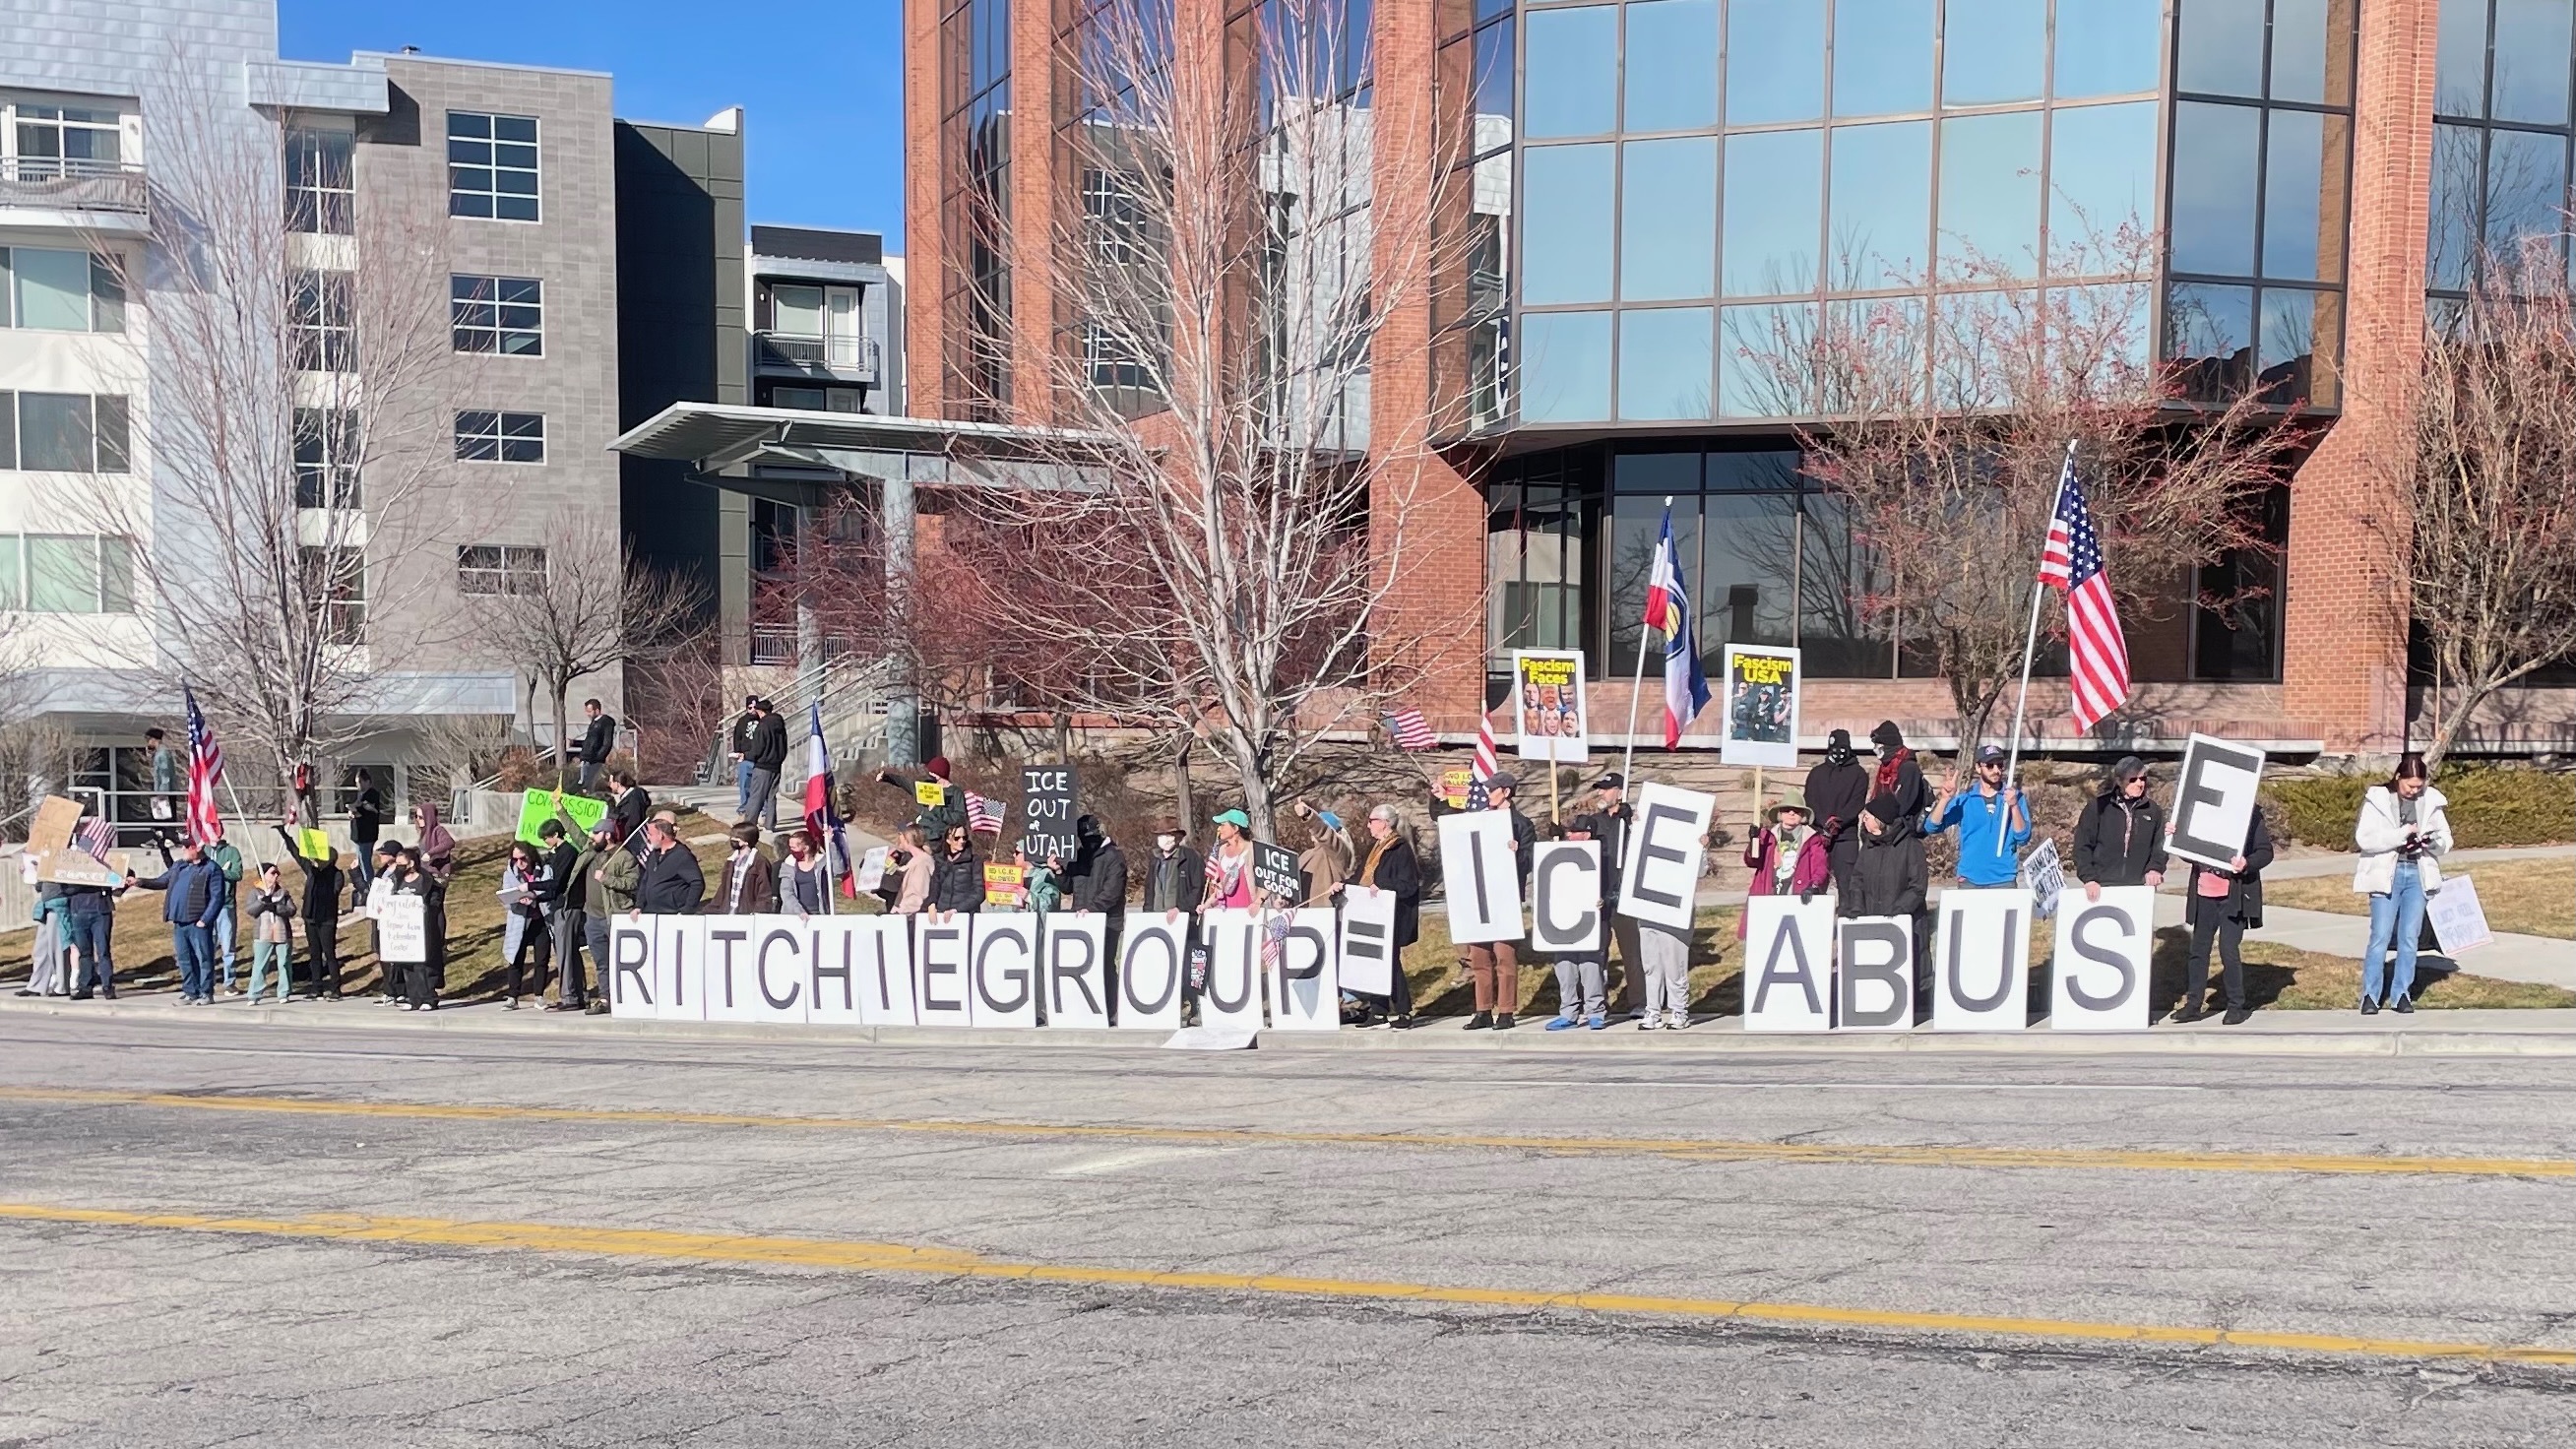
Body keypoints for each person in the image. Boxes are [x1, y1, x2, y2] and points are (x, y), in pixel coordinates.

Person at [2354, 753, 2453, 1015]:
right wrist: (2402, 835)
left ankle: (2401, 994)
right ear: (2398, 778)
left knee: (2410, 938)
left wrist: (2432, 842)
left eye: (2419, 786)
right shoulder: (2378, 799)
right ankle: (2370, 995)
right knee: (2380, 937)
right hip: (2388, 874)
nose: (2414, 791)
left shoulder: (2430, 800)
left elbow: (2445, 839)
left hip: (2417, 873)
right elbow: (2366, 839)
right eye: (2410, 785)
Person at [2177, 806, 2275, 1026]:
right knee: (2198, 951)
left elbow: (2265, 851)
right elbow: (2189, 853)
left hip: (2233, 897)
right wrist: (2176, 837)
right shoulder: (2199, 811)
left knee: (2228, 950)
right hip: (2204, 895)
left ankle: (2235, 1006)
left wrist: (2246, 863)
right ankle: (2193, 1005)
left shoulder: (2249, 813)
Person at [1464, 774, 1537, 1032]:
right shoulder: (1479, 819)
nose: (1487, 794)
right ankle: (1482, 1009)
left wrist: (1516, 853)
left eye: (1492, 790)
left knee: (1505, 957)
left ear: (1505, 792)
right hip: (1479, 897)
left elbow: (1530, 859)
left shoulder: (1521, 824)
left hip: (1505, 898)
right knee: (1479, 958)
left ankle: (1506, 1010)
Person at [1339, 804, 1422, 1028]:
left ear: (1384, 822)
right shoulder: (1376, 848)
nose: (1368, 825)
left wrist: (1383, 885)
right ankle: (1378, 1011)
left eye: (1372, 820)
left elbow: (1409, 885)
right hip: (1370, 914)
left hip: (1392, 916)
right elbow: (1362, 878)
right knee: (1371, 962)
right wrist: (1343, 885)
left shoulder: (1399, 849)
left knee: (1390, 964)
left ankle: (1404, 1011)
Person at [128, 839, 227, 1004]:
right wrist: (140, 882)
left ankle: (206, 993)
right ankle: (190, 992)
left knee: (204, 958)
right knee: (184, 958)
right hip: (179, 922)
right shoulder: (179, 866)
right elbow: (162, 881)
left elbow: (217, 897)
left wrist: (205, 919)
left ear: (198, 848)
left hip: (198, 922)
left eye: (187, 846)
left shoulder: (211, 869)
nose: (183, 849)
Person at [1541, 814, 1613, 1033]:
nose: (1569, 835)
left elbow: (1612, 887)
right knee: (1564, 967)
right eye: (1568, 832)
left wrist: (1605, 900)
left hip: (1592, 920)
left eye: (1574, 832)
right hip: (1564, 919)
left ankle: (1595, 1012)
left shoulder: (1603, 857)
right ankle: (1568, 1012)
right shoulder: (1561, 854)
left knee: (1591, 967)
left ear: (1587, 834)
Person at [1584, 774, 1644, 1018]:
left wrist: (1633, 822)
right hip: (1598, 896)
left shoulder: (1631, 820)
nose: (1601, 794)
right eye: (1600, 789)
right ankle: (1598, 1004)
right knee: (1596, 953)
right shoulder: (1594, 822)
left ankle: (1639, 1002)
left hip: (1625, 897)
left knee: (1632, 953)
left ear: (1619, 792)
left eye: (1606, 790)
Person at [1928, 745, 2033, 888]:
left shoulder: (2015, 797)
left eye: (2000, 765)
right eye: (1990, 765)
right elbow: (1932, 826)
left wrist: (2014, 806)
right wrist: (1945, 799)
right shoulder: (1965, 800)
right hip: (1970, 880)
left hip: (2003, 879)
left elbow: (2022, 837)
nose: (1996, 770)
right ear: (1978, 768)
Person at [2072, 756, 2168, 899]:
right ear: (2119, 781)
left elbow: (2160, 846)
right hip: (2102, 885)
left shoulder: (2153, 811)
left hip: (2139, 886)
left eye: (2142, 779)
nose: (2139, 784)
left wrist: (2155, 869)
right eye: (2133, 780)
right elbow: (2082, 846)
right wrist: (2089, 878)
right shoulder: (2098, 807)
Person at [1739, 792, 1831, 938]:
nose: (1791, 813)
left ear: (1803, 816)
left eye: (1797, 811)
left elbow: (1820, 867)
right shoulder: (1766, 836)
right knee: (1764, 937)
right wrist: (1754, 842)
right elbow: (1752, 861)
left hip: (1796, 895)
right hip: (1767, 893)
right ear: (1780, 814)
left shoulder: (1813, 839)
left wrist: (1813, 887)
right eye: (1787, 809)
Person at [272, 818, 345, 999]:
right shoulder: (312, 871)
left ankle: (336, 989)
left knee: (329, 953)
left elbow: (333, 893)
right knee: (314, 954)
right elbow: (297, 853)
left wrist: (321, 873)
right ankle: (316, 988)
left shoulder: (336, 875)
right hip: (311, 917)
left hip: (327, 919)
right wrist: (284, 834)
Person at [1803, 728, 1870, 901]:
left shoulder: (1859, 774)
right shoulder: (1816, 773)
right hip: (1819, 836)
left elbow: (1856, 803)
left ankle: (1848, 917)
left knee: (1848, 884)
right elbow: (1810, 801)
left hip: (1845, 837)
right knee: (1815, 882)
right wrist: (1823, 824)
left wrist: (1836, 823)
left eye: (1842, 748)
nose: (1838, 753)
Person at [553, 820, 612, 1010]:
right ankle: (603, 998)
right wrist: (559, 808)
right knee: (601, 962)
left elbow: (631, 882)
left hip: (610, 916)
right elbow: (575, 831)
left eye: (596, 833)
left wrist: (606, 878)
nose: (592, 836)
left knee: (614, 961)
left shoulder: (620, 856)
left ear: (608, 835)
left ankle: (616, 996)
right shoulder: (589, 850)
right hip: (591, 916)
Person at [383, 844, 443, 1010]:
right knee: (407, 965)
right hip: (403, 930)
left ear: (411, 864)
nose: (399, 867)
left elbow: (436, 900)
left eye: (402, 863)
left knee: (422, 966)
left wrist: (425, 907)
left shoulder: (427, 881)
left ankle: (428, 998)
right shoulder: (396, 880)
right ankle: (413, 999)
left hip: (422, 929)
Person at [498, 840, 553, 1009]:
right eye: (515, 859)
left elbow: (548, 891)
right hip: (519, 920)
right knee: (516, 958)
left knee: (542, 959)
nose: (519, 863)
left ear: (531, 856)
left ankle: (539, 996)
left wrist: (533, 898)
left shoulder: (545, 870)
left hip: (540, 920)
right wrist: (517, 900)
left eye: (523, 858)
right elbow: (506, 900)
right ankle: (512, 997)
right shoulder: (509, 874)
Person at [877, 755, 967, 841]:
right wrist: (886, 777)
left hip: (940, 836)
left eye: (930, 772)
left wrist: (938, 810)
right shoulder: (926, 787)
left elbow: (961, 818)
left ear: (936, 774)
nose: (928, 773)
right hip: (921, 833)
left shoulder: (955, 792)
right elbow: (905, 782)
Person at [244, 863, 296, 1005]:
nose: (276, 876)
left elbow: (292, 910)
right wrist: (263, 903)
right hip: (263, 933)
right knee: (260, 965)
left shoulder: (283, 892)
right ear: (264, 875)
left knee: (284, 963)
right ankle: (254, 994)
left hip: (282, 932)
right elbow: (250, 910)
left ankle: (284, 992)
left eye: (277, 873)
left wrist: (276, 907)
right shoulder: (256, 892)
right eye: (273, 873)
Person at [635, 819, 707, 914]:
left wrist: (687, 910)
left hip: (671, 913)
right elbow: (645, 881)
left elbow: (697, 883)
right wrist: (639, 906)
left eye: (651, 834)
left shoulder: (682, 855)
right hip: (650, 912)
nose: (648, 837)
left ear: (661, 835)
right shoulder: (653, 855)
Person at [205, 827, 245, 994]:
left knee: (228, 946)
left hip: (225, 905)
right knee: (207, 946)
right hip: (206, 907)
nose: (214, 833)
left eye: (216, 829)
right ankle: (207, 981)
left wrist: (219, 870)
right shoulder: (204, 850)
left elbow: (237, 874)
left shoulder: (231, 852)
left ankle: (229, 982)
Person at [1291, 802, 1351, 908]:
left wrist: (1309, 816)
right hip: (1300, 916)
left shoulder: (1338, 852)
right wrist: (1285, 900)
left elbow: (1326, 834)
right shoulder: (1305, 855)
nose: (1311, 831)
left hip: (1324, 915)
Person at [741, 697, 789, 830]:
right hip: (776, 765)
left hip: (763, 766)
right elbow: (784, 745)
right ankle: (770, 824)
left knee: (756, 797)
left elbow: (757, 748)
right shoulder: (780, 725)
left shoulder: (762, 726)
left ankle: (748, 826)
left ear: (760, 711)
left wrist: (746, 755)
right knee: (771, 796)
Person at [716, 822, 779, 914]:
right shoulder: (730, 861)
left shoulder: (760, 863)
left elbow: (764, 892)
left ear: (746, 841)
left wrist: (759, 913)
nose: (732, 839)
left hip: (747, 916)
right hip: (728, 914)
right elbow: (723, 891)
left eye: (737, 837)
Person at [22, 879, 70, 998]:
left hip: (59, 905)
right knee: (41, 949)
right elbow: (39, 886)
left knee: (57, 948)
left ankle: (61, 986)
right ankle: (37, 985)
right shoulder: (47, 863)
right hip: (46, 905)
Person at [346, 769, 386, 899]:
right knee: (359, 860)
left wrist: (360, 809)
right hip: (358, 833)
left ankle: (369, 886)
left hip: (367, 833)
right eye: (357, 782)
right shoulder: (358, 794)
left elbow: (369, 810)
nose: (359, 785)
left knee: (365, 861)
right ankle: (362, 886)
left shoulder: (372, 794)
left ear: (368, 781)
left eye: (361, 782)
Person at [928, 823, 983, 915]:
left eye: (964, 837)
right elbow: (935, 885)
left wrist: (958, 910)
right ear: (948, 840)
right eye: (957, 838)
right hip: (942, 913)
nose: (961, 841)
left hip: (964, 915)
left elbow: (979, 892)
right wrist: (932, 904)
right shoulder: (940, 860)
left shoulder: (974, 861)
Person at [1206, 809, 1256, 910]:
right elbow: (1220, 886)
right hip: (1224, 912)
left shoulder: (1252, 849)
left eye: (1223, 825)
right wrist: (1206, 905)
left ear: (1236, 828)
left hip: (1248, 912)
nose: (1219, 829)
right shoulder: (1222, 850)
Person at [888, 822, 935, 914]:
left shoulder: (922, 863)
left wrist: (902, 912)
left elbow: (919, 895)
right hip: (902, 912)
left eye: (900, 834)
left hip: (910, 915)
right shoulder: (915, 860)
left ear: (907, 839)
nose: (898, 838)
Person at [781, 830, 832, 914]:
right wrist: (799, 911)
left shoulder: (822, 863)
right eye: (790, 847)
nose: (791, 850)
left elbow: (838, 870)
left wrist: (830, 844)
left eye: (794, 848)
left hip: (819, 913)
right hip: (794, 914)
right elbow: (786, 892)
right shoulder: (788, 864)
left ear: (806, 848)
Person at [728, 693, 762, 817]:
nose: (753, 710)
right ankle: (744, 809)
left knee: (760, 787)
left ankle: (762, 811)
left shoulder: (763, 720)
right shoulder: (742, 722)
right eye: (750, 707)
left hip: (760, 759)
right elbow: (737, 738)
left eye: (755, 707)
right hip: (745, 758)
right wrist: (738, 753)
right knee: (745, 785)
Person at [576, 698, 616, 792]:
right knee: (583, 784)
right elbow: (589, 741)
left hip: (595, 760)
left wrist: (598, 758)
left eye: (589, 711)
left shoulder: (606, 722)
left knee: (590, 785)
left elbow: (607, 743)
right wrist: (575, 743)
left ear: (597, 710)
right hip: (586, 759)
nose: (588, 714)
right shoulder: (594, 723)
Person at [606, 772, 652, 855]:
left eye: (611, 782)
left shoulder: (633, 799)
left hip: (634, 843)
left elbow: (632, 821)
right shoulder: (628, 798)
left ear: (618, 784)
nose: (609, 785)